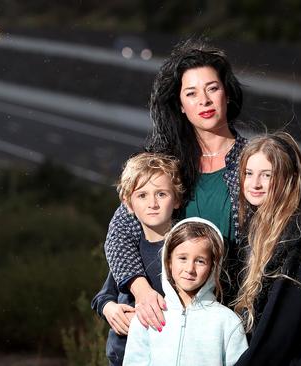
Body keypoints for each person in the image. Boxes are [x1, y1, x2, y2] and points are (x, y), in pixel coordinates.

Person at [103, 38, 248, 332]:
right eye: (191, 93)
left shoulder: (252, 163)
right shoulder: (165, 163)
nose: (204, 101)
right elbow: (120, 233)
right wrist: (142, 293)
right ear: (180, 105)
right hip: (170, 321)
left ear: (227, 94)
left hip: (230, 317)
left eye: (212, 89)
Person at [233, 132, 301, 366]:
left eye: (267, 175)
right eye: (248, 174)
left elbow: (279, 335)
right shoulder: (258, 222)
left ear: (289, 179)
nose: (255, 184)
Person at [91, 152, 184, 366]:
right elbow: (103, 296)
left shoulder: (184, 250)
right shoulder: (130, 250)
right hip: (124, 355)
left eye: (161, 194)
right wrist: (110, 309)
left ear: (177, 199)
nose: (152, 203)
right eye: (142, 195)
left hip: (167, 355)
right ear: (128, 204)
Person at [123, 217, 248, 366]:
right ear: (168, 262)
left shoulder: (228, 322)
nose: (190, 269)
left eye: (200, 261)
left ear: (213, 266)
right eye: (182, 258)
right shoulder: (148, 316)